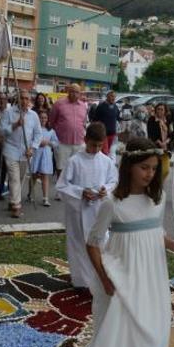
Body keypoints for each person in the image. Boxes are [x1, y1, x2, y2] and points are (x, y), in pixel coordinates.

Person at [78, 137, 174, 347]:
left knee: (152, 329)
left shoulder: (158, 199)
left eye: (153, 168)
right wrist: (104, 279)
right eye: (143, 167)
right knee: (125, 335)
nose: (150, 173)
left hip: (151, 275)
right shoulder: (113, 203)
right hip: (123, 275)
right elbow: (92, 242)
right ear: (128, 166)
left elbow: (153, 233)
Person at [56, 123, 117, 289]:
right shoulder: (74, 161)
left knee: (99, 242)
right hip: (78, 211)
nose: (96, 149)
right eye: (93, 145)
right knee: (78, 244)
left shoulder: (106, 161)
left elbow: (113, 181)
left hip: (98, 210)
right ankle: (81, 281)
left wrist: (106, 189)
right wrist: (80, 192)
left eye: (99, 145)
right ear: (85, 140)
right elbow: (62, 186)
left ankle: (101, 277)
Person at [1, 90, 43, 218]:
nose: (24, 101)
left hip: (26, 152)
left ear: (29, 100)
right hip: (11, 149)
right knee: (14, 178)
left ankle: (12, 200)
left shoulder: (33, 115)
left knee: (19, 179)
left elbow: (38, 134)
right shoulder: (9, 112)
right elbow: (2, 130)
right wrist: (15, 125)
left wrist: (33, 148)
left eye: (26, 98)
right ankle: (16, 206)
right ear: (16, 99)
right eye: (22, 98)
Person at [48, 84, 89, 200]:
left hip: (79, 142)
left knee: (77, 167)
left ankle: (73, 190)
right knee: (61, 167)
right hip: (62, 141)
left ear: (80, 93)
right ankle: (60, 190)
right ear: (68, 91)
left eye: (77, 92)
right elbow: (52, 121)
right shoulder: (59, 104)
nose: (74, 94)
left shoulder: (83, 106)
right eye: (72, 91)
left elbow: (84, 123)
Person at [30, 111, 59, 207]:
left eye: (45, 118)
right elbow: (30, 140)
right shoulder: (34, 129)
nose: (43, 120)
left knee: (45, 176)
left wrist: (48, 143)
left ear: (47, 119)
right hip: (36, 154)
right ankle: (30, 193)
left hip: (46, 155)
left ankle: (45, 198)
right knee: (34, 175)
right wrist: (38, 143)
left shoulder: (51, 131)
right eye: (41, 117)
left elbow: (56, 143)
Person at [91, 90, 120, 157]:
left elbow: (118, 118)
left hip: (112, 134)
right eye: (111, 96)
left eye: (114, 96)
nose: (113, 98)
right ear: (107, 96)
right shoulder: (101, 106)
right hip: (103, 134)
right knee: (104, 152)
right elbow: (95, 119)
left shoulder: (115, 107)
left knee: (109, 151)